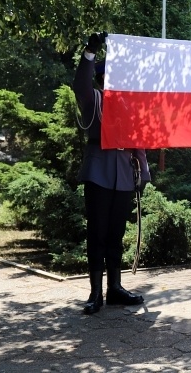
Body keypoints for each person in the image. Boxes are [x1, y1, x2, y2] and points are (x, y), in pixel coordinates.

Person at [74, 32, 150, 315]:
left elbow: (138, 140)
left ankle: (114, 287)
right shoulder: (94, 99)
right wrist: (89, 53)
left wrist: (143, 172)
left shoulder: (129, 106)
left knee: (117, 233)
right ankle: (95, 292)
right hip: (99, 171)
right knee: (98, 233)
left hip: (124, 174)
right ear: (102, 79)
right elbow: (79, 85)